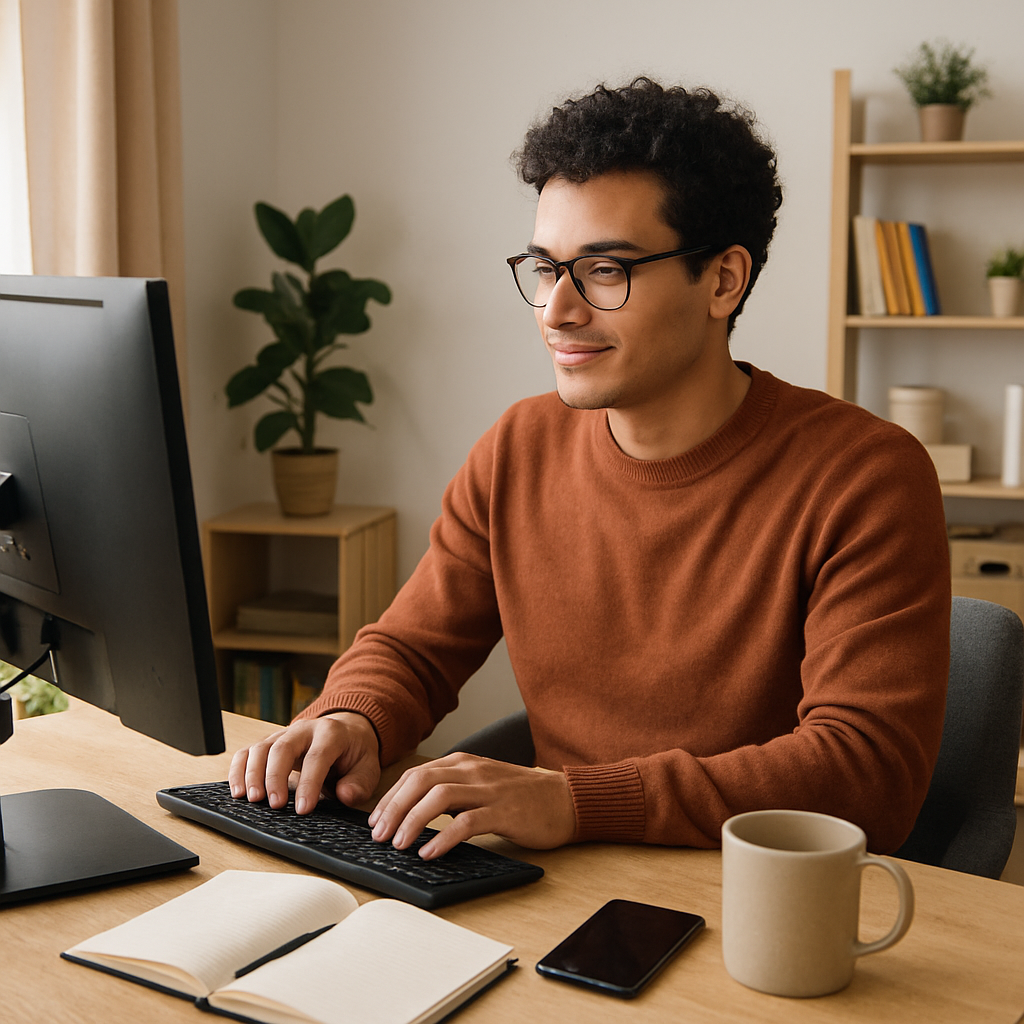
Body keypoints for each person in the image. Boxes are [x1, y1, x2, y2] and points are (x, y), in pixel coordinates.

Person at [230, 77, 950, 860]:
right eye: (545, 268)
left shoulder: (866, 476)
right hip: (564, 885)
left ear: (723, 280)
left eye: (605, 271)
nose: (557, 310)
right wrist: (353, 718)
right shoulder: (518, 448)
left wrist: (578, 800)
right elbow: (412, 648)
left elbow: (866, 773)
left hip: (755, 900)